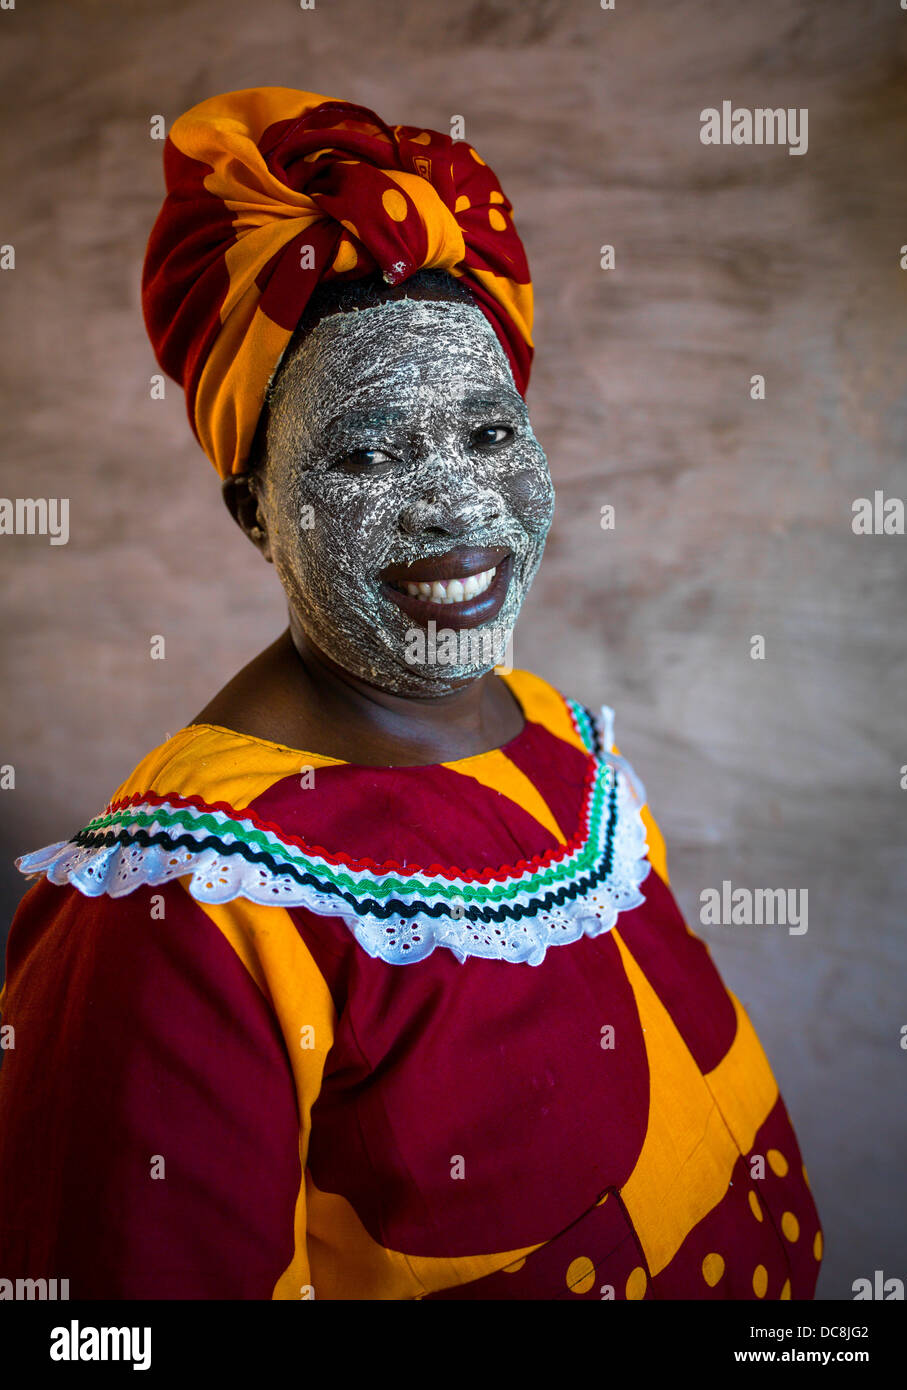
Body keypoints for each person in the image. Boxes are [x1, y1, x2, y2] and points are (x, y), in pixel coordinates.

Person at [0, 86, 821, 1300]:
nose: (458, 505)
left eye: (491, 434)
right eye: (370, 452)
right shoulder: (188, 902)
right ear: (255, 514)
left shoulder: (563, 742)